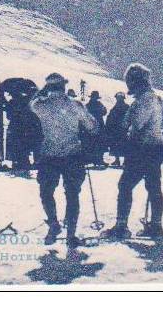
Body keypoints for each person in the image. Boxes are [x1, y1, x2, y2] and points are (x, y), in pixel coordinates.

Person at [29, 72, 99, 247]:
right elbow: (92, 127)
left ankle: (53, 223)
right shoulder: (75, 105)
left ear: (48, 87)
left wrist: (41, 91)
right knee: (72, 194)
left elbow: (32, 103)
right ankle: (71, 235)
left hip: (49, 155)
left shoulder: (41, 106)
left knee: (46, 192)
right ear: (64, 86)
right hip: (72, 155)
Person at [102, 63, 163, 241]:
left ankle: (121, 225)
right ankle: (156, 225)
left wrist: (128, 120)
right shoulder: (155, 98)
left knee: (125, 185)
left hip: (141, 148)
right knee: (154, 187)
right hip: (155, 147)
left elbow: (137, 123)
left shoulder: (144, 100)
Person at [106, 92, 130, 167]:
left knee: (124, 145)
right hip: (117, 129)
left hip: (122, 129)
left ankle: (125, 161)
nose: (118, 99)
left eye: (120, 98)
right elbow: (110, 117)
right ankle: (117, 160)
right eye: (118, 98)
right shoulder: (116, 107)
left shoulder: (126, 107)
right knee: (117, 144)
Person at [85, 91, 108, 166]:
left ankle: (99, 160)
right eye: (94, 97)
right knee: (92, 143)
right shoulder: (88, 105)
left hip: (98, 125)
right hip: (92, 125)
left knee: (100, 143)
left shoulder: (98, 104)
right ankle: (93, 159)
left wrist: (104, 110)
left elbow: (104, 112)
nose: (95, 99)